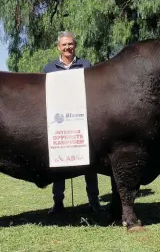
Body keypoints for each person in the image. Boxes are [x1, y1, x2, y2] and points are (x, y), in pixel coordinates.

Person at [43, 31, 101, 214]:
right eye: (64, 45)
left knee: (89, 163)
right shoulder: (49, 69)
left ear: (75, 46)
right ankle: (58, 203)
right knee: (59, 163)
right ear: (58, 47)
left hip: (82, 120)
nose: (68, 47)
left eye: (71, 44)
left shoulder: (86, 65)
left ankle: (94, 201)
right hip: (59, 122)